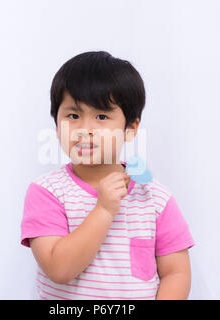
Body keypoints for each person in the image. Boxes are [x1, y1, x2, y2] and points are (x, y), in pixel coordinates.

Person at [20, 51, 195, 300]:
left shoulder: (155, 198)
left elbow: (175, 273)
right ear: (57, 126)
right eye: (73, 116)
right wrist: (103, 210)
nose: (85, 130)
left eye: (101, 116)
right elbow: (58, 269)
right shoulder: (47, 192)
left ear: (130, 128)